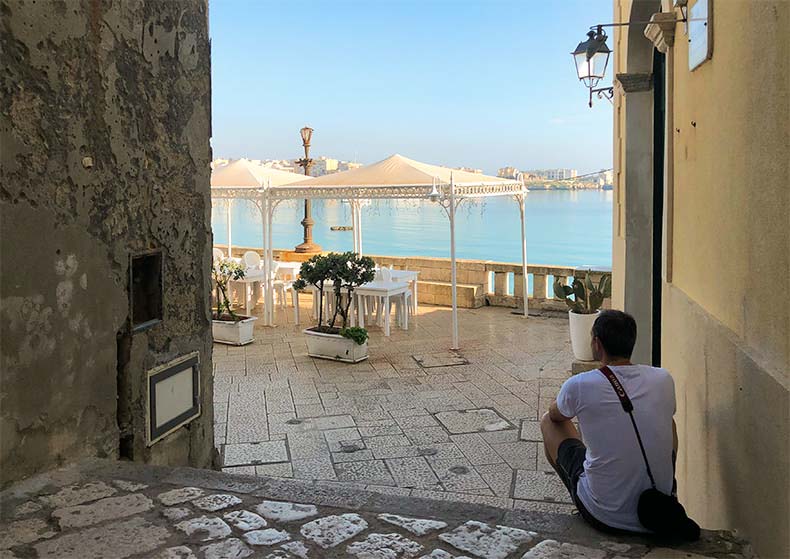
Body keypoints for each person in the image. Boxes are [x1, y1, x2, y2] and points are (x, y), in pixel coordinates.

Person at [540, 309, 678, 534]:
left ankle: (581, 495)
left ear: (597, 343)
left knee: (549, 422)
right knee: (669, 422)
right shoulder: (662, 378)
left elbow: (555, 415)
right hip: (658, 508)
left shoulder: (580, 385)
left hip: (605, 514)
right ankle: (668, 485)